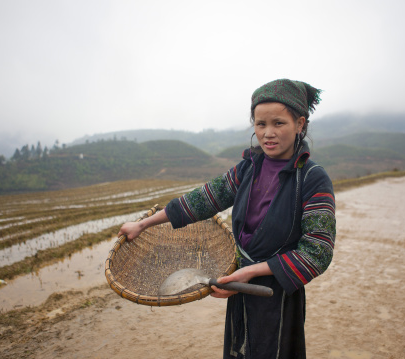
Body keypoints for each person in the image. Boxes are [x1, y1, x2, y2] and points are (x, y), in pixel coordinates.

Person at [118, 78, 336, 359]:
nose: (268, 133)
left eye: (278, 123)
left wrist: (250, 272)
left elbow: (318, 252)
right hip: (240, 286)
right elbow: (203, 199)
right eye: (260, 124)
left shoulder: (312, 178)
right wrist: (143, 224)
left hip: (277, 294)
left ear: (300, 124)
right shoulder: (248, 168)